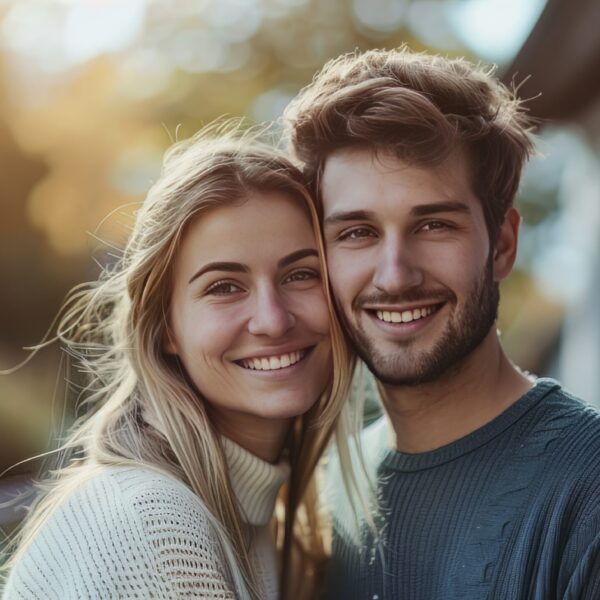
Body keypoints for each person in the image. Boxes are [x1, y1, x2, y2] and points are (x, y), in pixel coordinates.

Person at [1, 123, 370, 600]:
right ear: (165, 329)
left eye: (300, 275)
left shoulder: (267, 523)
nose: (273, 320)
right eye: (224, 286)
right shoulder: (156, 528)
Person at [284, 47, 600, 599]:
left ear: (502, 245)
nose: (395, 275)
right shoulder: (324, 499)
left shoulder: (586, 487)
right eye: (357, 232)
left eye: (433, 225)